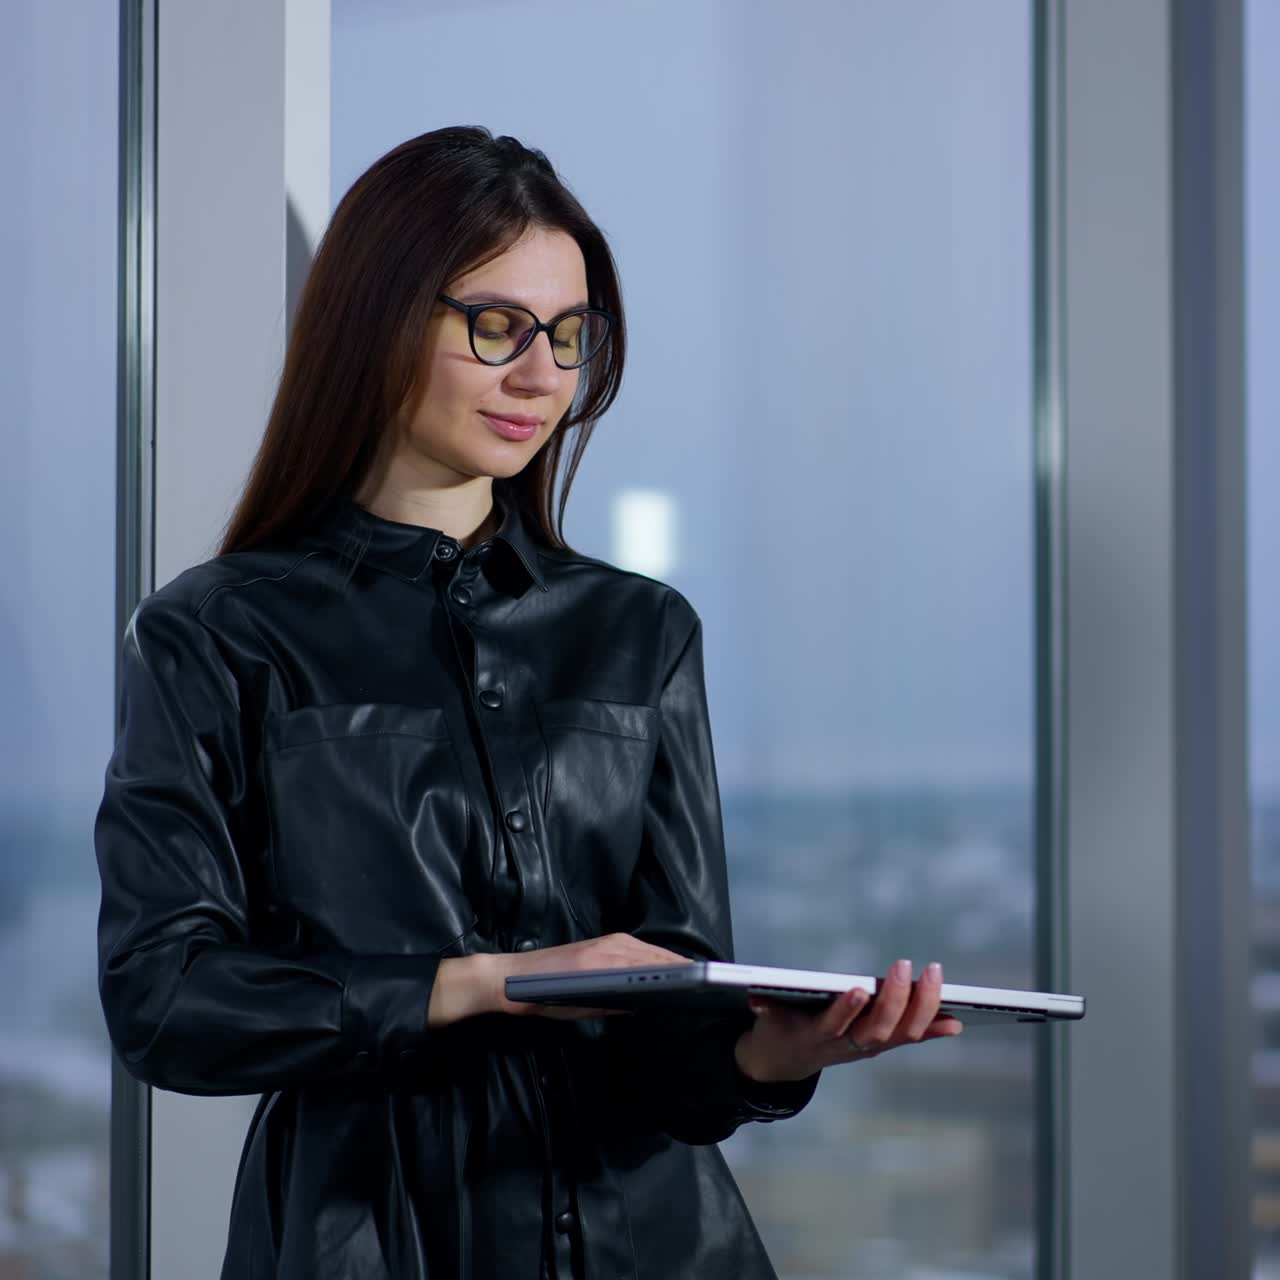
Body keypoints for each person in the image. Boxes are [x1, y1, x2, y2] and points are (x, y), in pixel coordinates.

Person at [95, 126, 962, 1280]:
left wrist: (766, 1051)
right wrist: (487, 982)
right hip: (371, 1235)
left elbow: (670, 1026)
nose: (540, 374)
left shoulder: (641, 632)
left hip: (655, 1237)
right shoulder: (217, 631)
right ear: (378, 315)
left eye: (568, 334)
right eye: (494, 325)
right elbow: (166, 999)